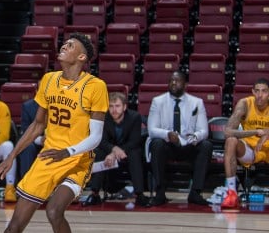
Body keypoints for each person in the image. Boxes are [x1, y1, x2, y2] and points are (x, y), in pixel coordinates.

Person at [0, 32, 107, 233]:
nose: (64, 46)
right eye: (65, 43)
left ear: (82, 56)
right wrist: (12, 156)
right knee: (15, 225)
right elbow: (37, 125)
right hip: (49, 157)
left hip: (77, 160)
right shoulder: (49, 80)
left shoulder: (95, 86)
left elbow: (95, 138)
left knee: (54, 211)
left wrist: (68, 152)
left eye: (71, 45)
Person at [147, 70, 212, 207]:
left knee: (206, 145)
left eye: (177, 80)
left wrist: (193, 138)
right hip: (168, 144)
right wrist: (168, 135)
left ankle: (195, 192)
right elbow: (152, 130)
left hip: (189, 144)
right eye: (171, 80)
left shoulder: (197, 103)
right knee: (156, 144)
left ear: (185, 84)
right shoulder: (157, 102)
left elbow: (204, 131)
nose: (174, 83)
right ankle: (160, 193)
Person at [82, 92, 151, 208]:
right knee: (98, 152)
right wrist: (113, 150)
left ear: (124, 107)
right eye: (111, 106)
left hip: (128, 150)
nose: (114, 110)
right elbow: (101, 140)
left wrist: (116, 153)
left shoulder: (134, 117)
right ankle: (94, 194)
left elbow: (135, 141)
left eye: (117, 106)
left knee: (135, 153)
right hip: (108, 149)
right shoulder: (103, 118)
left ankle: (140, 195)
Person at [220, 78, 269, 209]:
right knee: (231, 141)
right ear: (253, 92)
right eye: (257, 91)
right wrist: (256, 132)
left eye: (264, 91)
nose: (260, 95)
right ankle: (231, 192)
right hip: (251, 149)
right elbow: (228, 131)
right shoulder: (245, 104)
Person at [17, 98, 43, 180]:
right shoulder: (28, 106)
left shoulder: (62, 103)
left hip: (57, 139)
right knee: (27, 147)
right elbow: (25, 131)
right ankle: (26, 183)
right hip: (36, 141)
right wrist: (41, 140)